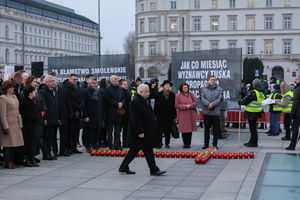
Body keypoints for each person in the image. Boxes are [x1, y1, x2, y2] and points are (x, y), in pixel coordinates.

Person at [119, 84, 166, 176]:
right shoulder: (135, 102)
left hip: (146, 131)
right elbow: (135, 119)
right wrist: (140, 131)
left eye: (149, 91)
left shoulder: (143, 100)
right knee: (147, 150)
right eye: (147, 91)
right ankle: (154, 169)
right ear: (140, 92)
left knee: (134, 151)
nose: (149, 93)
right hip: (141, 132)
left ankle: (123, 166)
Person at [0, 80, 24, 169]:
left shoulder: (14, 97)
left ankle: (12, 160)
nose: (13, 88)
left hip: (16, 122)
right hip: (9, 122)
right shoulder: (3, 98)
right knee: (8, 144)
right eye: (11, 87)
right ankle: (8, 161)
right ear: (7, 88)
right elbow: (2, 114)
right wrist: (5, 126)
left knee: (15, 144)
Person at [238, 79, 265, 147]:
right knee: (253, 128)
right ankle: (252, 141)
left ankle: (253, 142)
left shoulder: (253, 92)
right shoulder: (261, 93)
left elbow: (245, 101)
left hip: (251, 113)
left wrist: (239, 101)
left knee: (252, 129)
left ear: (254, 85)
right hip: (257, 112)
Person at [38, 75, 58, 160]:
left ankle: (49, 153)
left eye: (54, 81)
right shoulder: (43, 91)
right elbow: (43, 106)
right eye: (52, 81)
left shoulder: (52, 91)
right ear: (47, 82)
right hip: (47, 118)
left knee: (51, 137)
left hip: (53, 117)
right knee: (46, 137)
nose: (54, 83)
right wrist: (45, 118)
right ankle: (46, 154)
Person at [200, 76, 223, 149]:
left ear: (216, 81)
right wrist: (208, 104)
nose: (213, 81)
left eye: (214, 80)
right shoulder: (204, 89)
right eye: (211, 80)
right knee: (206, 129)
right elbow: (202, 98)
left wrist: (212, 104)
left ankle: (214, 144)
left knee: (215, 130)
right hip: (206, 112)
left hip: (215, 112)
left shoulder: (219, 89)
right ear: (208, 81)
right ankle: (206, 144)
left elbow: (220, 99)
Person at [82, 78, 104, 153]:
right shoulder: (86, 91)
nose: (96, 84)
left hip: (97, 115)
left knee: (96, 131)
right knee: (88, 131)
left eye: (97, 83)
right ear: (90, 83)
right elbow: (83, 105)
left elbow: (100, 104)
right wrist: (85, 116)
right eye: (94, 83)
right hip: (89, 115)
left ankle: (95, 145)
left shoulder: (98, 92)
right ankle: (87, 145)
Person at [20, 86, 40, 167]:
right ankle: (27, 159)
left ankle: (31, 158)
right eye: (34, 91)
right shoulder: (25, 102)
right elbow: (26, 115)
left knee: (32, 143)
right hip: (27, 126)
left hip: (32, 125)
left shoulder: (32, 101)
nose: (35, 93)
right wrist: (36, 117)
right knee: (28, 143)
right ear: (30, 93)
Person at [105, 75, 125, 150]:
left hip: (119, 113)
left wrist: (122, 103)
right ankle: (111, 145)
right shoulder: (108, 89)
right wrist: (117, 104)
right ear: (112, 80)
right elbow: (108, 99)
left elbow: (123, 98)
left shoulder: (120, 89)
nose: (117, 80)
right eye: (116, 79)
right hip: (111, 113)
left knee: (118, 131)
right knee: (110, 131)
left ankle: (117, 145)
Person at [154, 80, 176, 148]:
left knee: (168, 131)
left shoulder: (173, 95)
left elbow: (174, 106)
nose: (167, 87)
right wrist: (156, 114)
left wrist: (175, 115)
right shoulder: (158, 94)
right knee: (159, 131)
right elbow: (156, 106)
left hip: (169, 115)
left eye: (169, 86)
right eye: (166, 85)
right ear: (163, 87)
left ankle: (167, 143)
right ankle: (159, 143)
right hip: (160, 115)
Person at [64, 74, 82, 154]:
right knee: (70, 131)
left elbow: (81, 97)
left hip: (78, 112)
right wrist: (77, 106)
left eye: (76, 79)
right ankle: (69, 147)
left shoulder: (78, 87)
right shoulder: (66, 88)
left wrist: (81, 105)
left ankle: (74, 147)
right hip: (71, 112)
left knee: (76, 131)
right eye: (74, 79)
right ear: (70, 79)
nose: (75, 81)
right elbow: (69, 100)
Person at [175, 83, 197, 148]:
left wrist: (191, 105)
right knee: (184, 130)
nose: (186, 89)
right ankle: (185, 143)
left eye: (186, 87)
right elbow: (177, 105)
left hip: (190, 114)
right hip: (183, 115)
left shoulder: (191, 94)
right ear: (181, 88)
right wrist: (185, 106)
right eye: (184, 87)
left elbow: (195, 102)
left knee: (190, 129)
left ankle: (189, 143)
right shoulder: (178, 95)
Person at [286, 75, 300, 150]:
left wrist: (292, 113)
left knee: (295, 130)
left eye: (296, 79)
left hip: (298, 113)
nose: (295, 80)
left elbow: (296, 102)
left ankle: (292, 145)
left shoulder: (298, 88)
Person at [119, 79, 131, 148]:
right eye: (124, 84)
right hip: (121, 113)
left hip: (127, 113)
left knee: (126, 130)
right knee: (119, 129)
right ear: (121, 85)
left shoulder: (128, 91)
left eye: (126, 84)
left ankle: (125, 143)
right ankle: (118, 143)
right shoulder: (120, 91)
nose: (126, 85)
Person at [98, 78, 108, 148]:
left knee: (104, 129)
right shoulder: (102, 91)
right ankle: (102, 141)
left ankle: (103, 141)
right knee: (102, 129)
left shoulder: (102, 90)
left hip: (104, 112)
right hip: (103, 112)